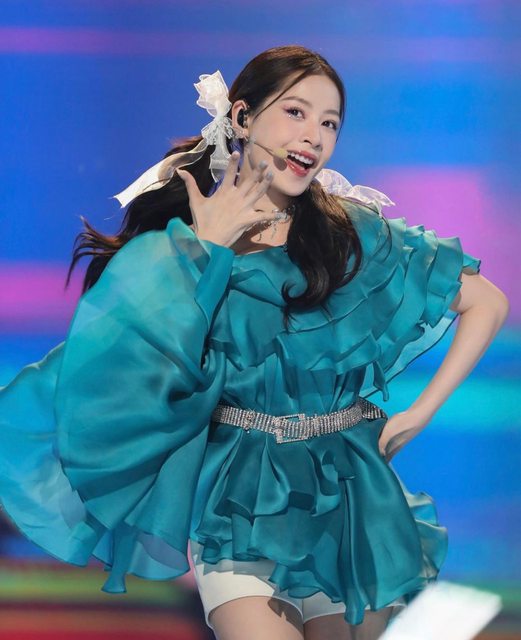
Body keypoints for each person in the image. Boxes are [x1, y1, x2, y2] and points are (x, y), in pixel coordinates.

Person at [0, 44, 509, 640]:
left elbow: (487, 302)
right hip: (237, 502)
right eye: (295, 112)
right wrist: (206, 251)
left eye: (330, 123)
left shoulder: (350, 233)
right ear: (241, 117)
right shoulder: (183, 242)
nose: (313, 136)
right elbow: (131, 372)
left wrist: (418, 414)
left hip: (349, 496)